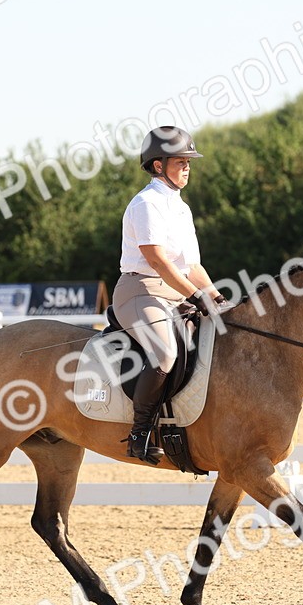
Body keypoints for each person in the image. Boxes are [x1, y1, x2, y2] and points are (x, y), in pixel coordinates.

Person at [113, 126, 226, 464]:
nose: (188, 168)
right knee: (164, 352)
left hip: (173, 293)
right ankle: (139, 434)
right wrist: (195, 295)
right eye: (181, 162)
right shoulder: (146, 203)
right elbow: (157, 260)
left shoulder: (180, 208)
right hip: (139, 290)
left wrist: (217, 298)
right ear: (159, 165)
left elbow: (192, 265)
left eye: (189, 162)